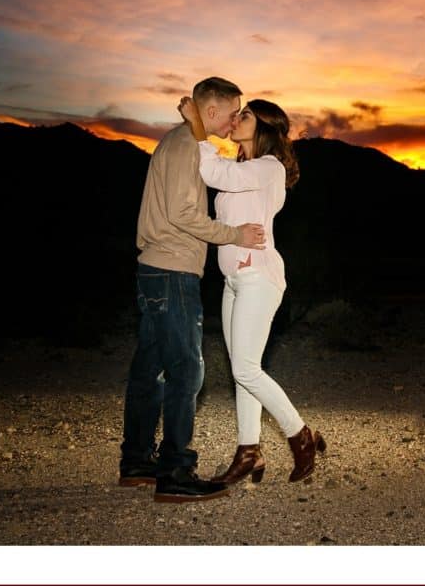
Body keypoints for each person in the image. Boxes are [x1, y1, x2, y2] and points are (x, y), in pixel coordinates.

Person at [120, 76, 267, 504]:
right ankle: (175, 471)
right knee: (188, 369)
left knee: (149, 367)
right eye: (233, 111)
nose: (234, 121)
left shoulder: (177, 140)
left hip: (152, 267)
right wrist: (233, 234)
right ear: (214, 109)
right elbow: (185, 213)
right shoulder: (185, 144)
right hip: (173, 269)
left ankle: (137, 462)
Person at [179, 95, 326, 485]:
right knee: (243, 369)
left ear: (262, 128)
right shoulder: (243, 168)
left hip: (258, 277)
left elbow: (213, 173)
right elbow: (216, 174)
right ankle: (249, 452)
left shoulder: (268, 168)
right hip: (234, 280)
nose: (237, 118)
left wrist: (197, 125)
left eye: (245, 115)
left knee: (245, 367)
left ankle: (300, 435)